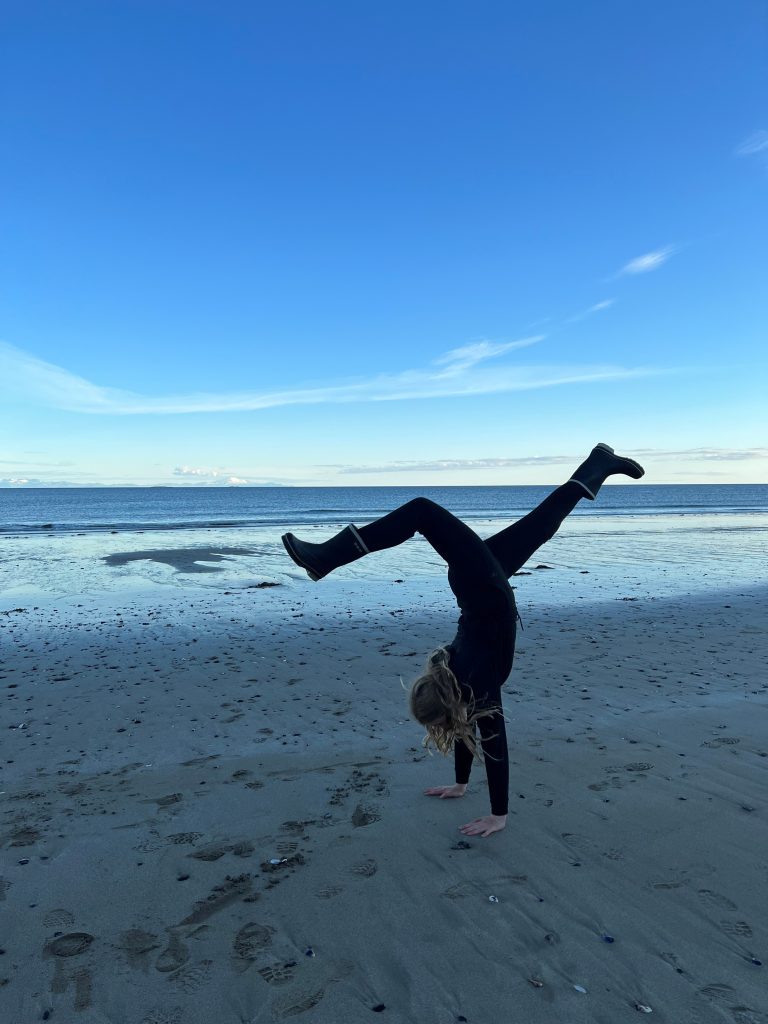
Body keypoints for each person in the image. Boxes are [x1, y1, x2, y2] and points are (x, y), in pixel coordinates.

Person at [281, 443, 644, 839]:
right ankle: (598, 465)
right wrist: (480, 801)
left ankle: (326, 557)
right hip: (479, 586)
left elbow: (472, 733)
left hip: (482, 587)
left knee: (430, 512)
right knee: (534, 523)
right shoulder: (463, 681)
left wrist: (478, 798)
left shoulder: (468, 686)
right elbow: (490, 745)